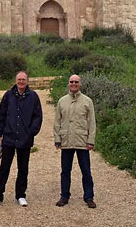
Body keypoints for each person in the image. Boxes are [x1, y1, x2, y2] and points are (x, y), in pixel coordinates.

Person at [0, 71, 43, 207]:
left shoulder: (33, 96)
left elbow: (38, 116)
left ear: (27, 81)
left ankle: (20, 195)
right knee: (4, 168)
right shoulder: (8, 95)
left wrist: (31, 132)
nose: (21, 82)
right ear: (15, 80)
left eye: (23, 79)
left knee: (23, 169)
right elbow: (1, 114)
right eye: (19, 79)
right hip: (9, 137)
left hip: (25, 139)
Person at [53, 74, 97, 208]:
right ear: (68, 83)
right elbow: (57, 122)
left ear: (80, 84)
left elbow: (92, 123)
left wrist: (91, 141)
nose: (74, 84)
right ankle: (64, 196)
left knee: (86, 171)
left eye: (76, 82)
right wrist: (57, 139)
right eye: (71, 81)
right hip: (66, 141)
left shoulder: (87, 101)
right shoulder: (62, 101)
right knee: (65, 171)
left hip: (82, 141)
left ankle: (89, 197)